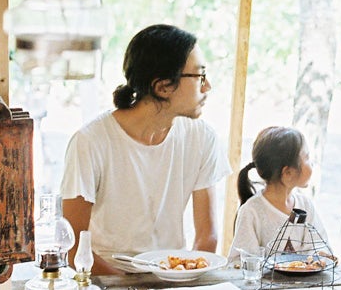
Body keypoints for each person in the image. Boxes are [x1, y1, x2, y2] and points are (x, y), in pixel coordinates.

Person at [60, 24, 231, 274]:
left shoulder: (202, 137)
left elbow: (207, 237)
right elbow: (72, 246)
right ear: (162, 86)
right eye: (199, 76)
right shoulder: (90, 142)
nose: (207, 87)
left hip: (174, 279)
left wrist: (181, 277)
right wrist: (131, 288)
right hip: (107, 284)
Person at [228, 126, 330, 262]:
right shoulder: (251, 211)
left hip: (305, 283)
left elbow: (320, 247)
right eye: (307, 157)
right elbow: (239, 262)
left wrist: (320, 257)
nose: (311, 163)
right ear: (288, 173)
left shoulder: (305, 205)